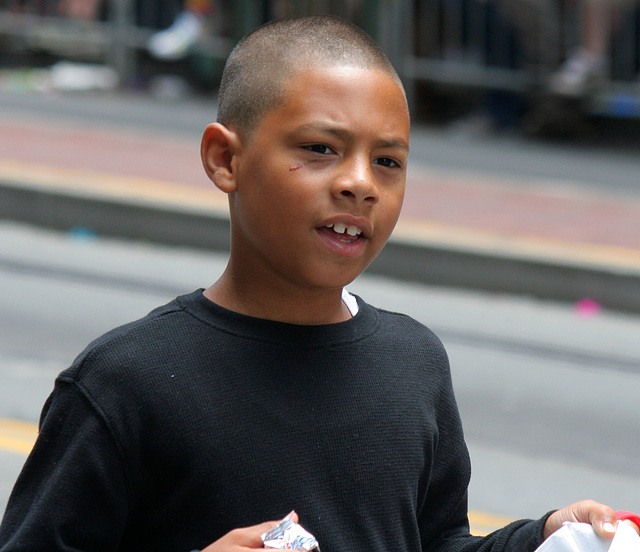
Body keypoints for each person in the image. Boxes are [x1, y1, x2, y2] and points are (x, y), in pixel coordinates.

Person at [0, 14, 636, 552]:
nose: (359, 182)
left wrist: (542, 536)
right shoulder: (125, 381)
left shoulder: (413, 362)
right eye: (321, 149)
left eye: (387, 161)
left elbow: (439, 539)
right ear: (226, 159)